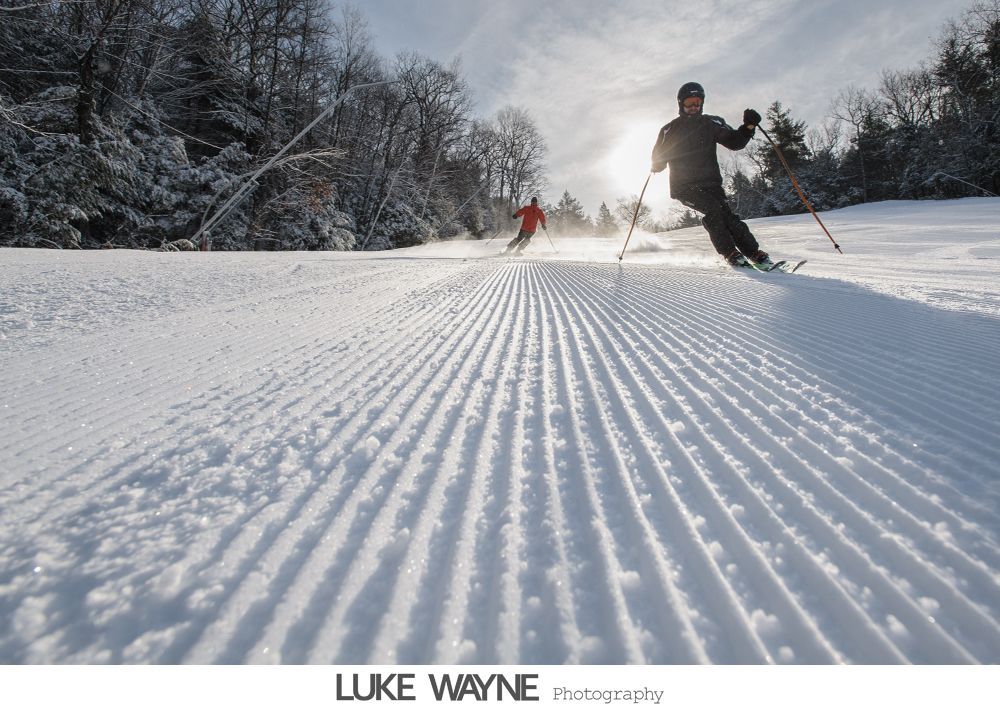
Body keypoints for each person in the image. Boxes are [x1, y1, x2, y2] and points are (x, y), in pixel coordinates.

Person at [651, 81, 770, 268]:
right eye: (689, 103)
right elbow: (657, 158)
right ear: (681, 104)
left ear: (702, 103)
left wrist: (748, 127)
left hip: (711, 183)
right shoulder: (670, 129)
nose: (693, 107)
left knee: (728, 215)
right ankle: (730, 252)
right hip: (684, 187)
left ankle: (753, 252)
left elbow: (734, 142)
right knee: (713, 209)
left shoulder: (711, 123)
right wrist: (658, 163)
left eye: (697, 103)